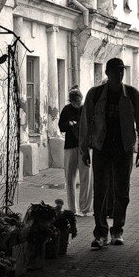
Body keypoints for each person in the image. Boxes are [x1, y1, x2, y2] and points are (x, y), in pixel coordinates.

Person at [79, 58, 139, 249]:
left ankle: (117, 231)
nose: (119, 74)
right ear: (107, 73)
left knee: (122, 192)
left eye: (121, 70)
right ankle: (101, 233)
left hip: (124, 149)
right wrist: (84, 150)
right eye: (116, 71)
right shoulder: (95, 94)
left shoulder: (132, 95)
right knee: (100, 191)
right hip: (101, 148)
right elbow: (85, 123)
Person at [58, 86, 91, 216]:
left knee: (86, 177)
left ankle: (85, 209)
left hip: (84, 147)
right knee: (69, 178)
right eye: (75, 102)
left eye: (79, 101)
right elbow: (61, 126)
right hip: (70, 146)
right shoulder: (66, 109)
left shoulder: (85, 109)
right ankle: (72, 209)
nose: (77, 104)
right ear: (71, 100)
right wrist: (69, 124)